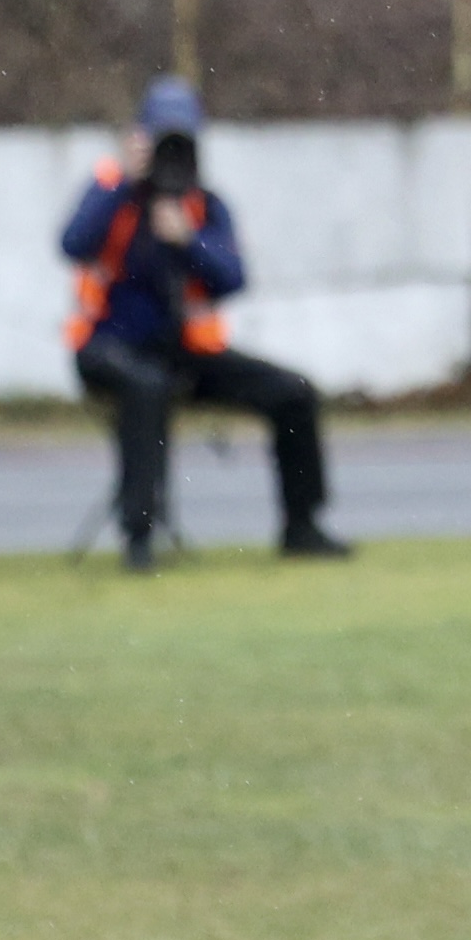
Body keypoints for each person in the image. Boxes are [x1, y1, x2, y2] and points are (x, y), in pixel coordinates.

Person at [61, 79, 353, 572]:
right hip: (109, 348)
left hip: (184, 352)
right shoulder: (111, 187)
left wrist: (187, 240)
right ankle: (139, 537)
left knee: (294, 392)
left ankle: (302, 527)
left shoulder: (202, 206)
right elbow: (73, 243)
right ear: (140, 138)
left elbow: (232, 278)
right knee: (145, 388)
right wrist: (124, 185)